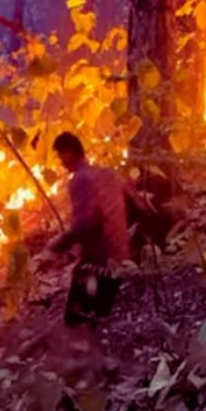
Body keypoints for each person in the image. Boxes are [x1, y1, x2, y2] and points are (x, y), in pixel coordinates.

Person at [46, 132, 133, 329]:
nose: (60, 162)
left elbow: (85, 223)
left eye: (60, 155)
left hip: (97, 262)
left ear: (69, 153)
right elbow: (134, 206)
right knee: (100, 319)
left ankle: (85, 355)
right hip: (120, 258)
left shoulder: (81, 179)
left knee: (76, 321)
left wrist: (56, 245)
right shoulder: (109, 174)